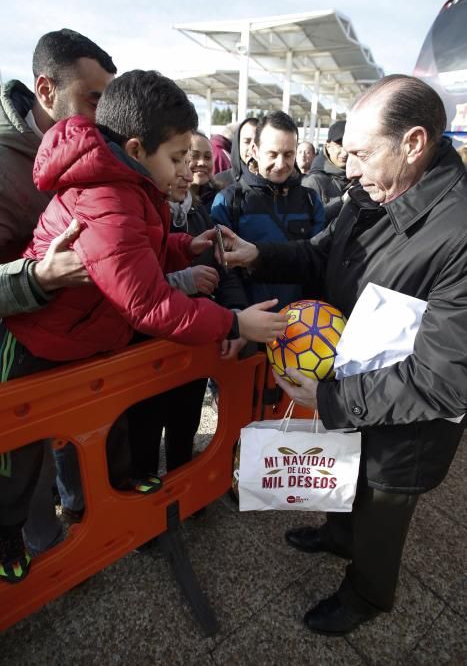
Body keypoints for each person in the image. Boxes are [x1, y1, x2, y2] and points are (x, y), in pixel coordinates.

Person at [0, 70, 288, 583]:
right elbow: (147, 301)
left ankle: (120, 487)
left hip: (85, 340)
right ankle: (6, 534)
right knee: (20, 460)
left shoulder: (126, 185)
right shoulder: (107, 198)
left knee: (110, 428)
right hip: (35, 345)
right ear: (135, 147)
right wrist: (233, 321)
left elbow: (138, 253)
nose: (185, 169)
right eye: (177, 158)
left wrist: (183, 245)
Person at [216, 74, 467, 636]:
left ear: (413, 143)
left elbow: (445, 378)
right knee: (347, 480)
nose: (346, 169)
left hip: (408, 428)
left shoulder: (461, 232)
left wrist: (333, 398)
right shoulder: (370, 193)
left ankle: (366, 594)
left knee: (381, 509)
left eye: (358, 153)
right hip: (354, 388)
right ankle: (337, 534)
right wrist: (257, 257)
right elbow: (317, 254)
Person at [0, 28, 116, 562]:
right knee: (24, 473)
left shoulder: (99, 149)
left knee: (72, 451)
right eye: (93, 99)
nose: (103, 115)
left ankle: (75, 530)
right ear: (46, 91)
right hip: (16, 359)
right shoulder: (5, 163)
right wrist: (36, 278)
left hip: (76, 347)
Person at [130, 152, 248, 478]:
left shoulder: (200, 214)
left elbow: (225, 271)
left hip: (194, 344)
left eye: (200, 157)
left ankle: (185, 489)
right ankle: (147, 502)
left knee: (186, 421)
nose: (190, 169)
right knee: (146, 428)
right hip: (146, 349)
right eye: (182, 157)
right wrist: (184, 281)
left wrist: (235, 310)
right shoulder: (139, 213)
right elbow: (133, 288)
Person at [211, 110, 326, 311]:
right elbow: (224, 268)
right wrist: (238, 314)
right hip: (248, 324)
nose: (281, 164)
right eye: (272, 154)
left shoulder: (310, 200)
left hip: (301, 326)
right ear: (254, 150)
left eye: (288, 154)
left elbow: (318, 259)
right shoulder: (229, 200)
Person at [302, 120, 349, 221]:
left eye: (348, 146)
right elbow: (305, 221)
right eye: (339, 145)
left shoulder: (361, 179)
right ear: (328, 147)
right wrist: (342, 201)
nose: (345, 152)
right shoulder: (313, 181)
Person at [213, 117, 258, 189]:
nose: (252, 148)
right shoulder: (219, 182)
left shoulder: (274, 181)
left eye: (257, 142)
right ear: (237, 144)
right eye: (247, 142)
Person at [188, 131, 221, 211]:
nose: (202, 163)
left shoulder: (221, 199)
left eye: (207, 157)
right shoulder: (172, 202)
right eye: (194, 156)